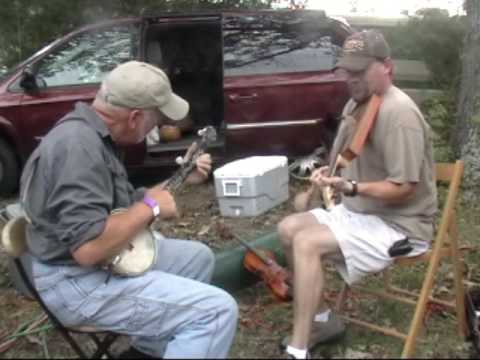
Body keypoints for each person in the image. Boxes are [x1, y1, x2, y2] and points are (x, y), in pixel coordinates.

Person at [19, 61, 238, 359]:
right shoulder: (77, 148)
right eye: (157, 119)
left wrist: (185, 177)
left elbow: (122, 208)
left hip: (91, 267)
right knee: (216, 311)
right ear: (135, 117)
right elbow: (88, 249)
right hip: (73, 283)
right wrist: (150, 208)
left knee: (197, 258)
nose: (160, 126)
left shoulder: (94, 136)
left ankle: (147, 352)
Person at [277, 30, 437, 359]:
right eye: (347, 70)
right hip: (361, 212)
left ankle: (299, 348)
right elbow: (347, 159)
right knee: (288, 228)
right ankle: (323, 321)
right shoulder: (358, 103)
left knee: (307, 243)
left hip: (400, 225)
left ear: (387, 67)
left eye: (360, 71)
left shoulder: (400, 114)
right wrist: (329, 175)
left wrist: (351, 187)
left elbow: (405, 187)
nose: (351, 78)